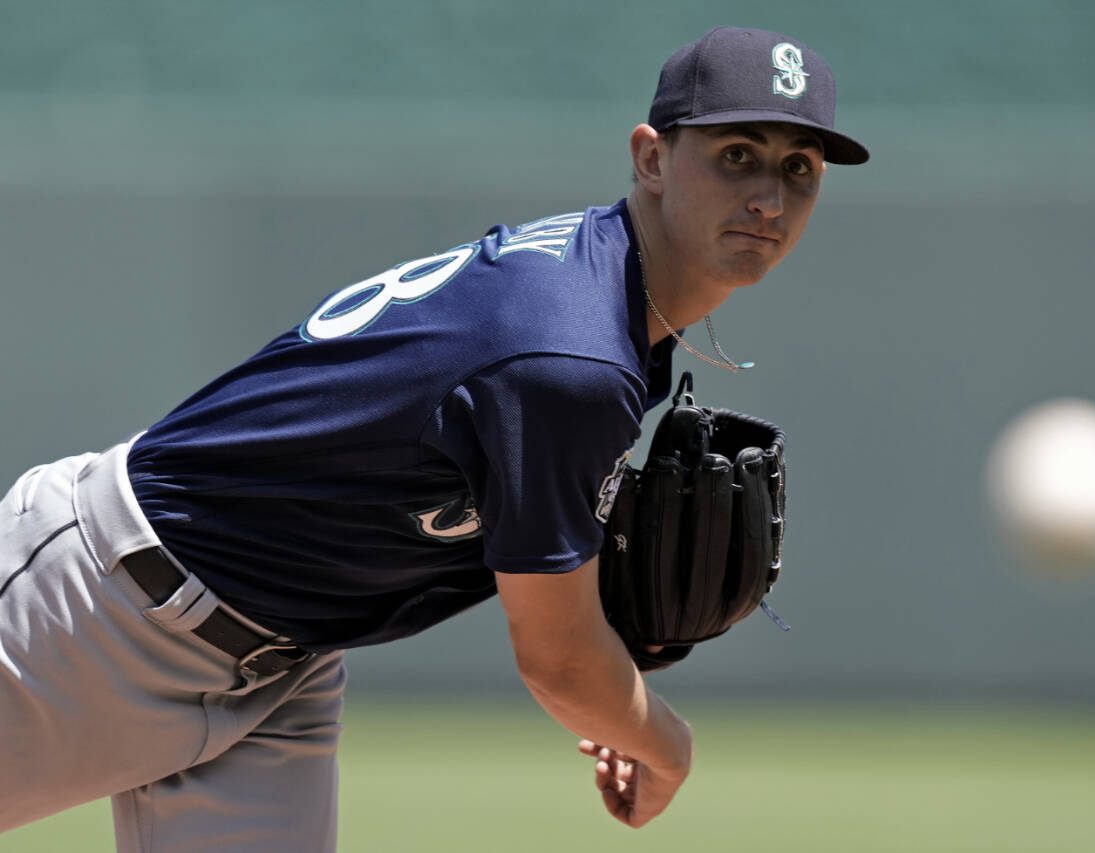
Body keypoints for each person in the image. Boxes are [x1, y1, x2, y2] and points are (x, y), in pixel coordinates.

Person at [0, 25, 868, 851]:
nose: (769, 195)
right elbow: (558, 661)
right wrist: (661, 740)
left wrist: (618, 692)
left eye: (800, 167)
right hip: (97, 609)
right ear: (651, 157)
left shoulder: (603, 297)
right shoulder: (570, 351)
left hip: (279, 664)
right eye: (737, 155)